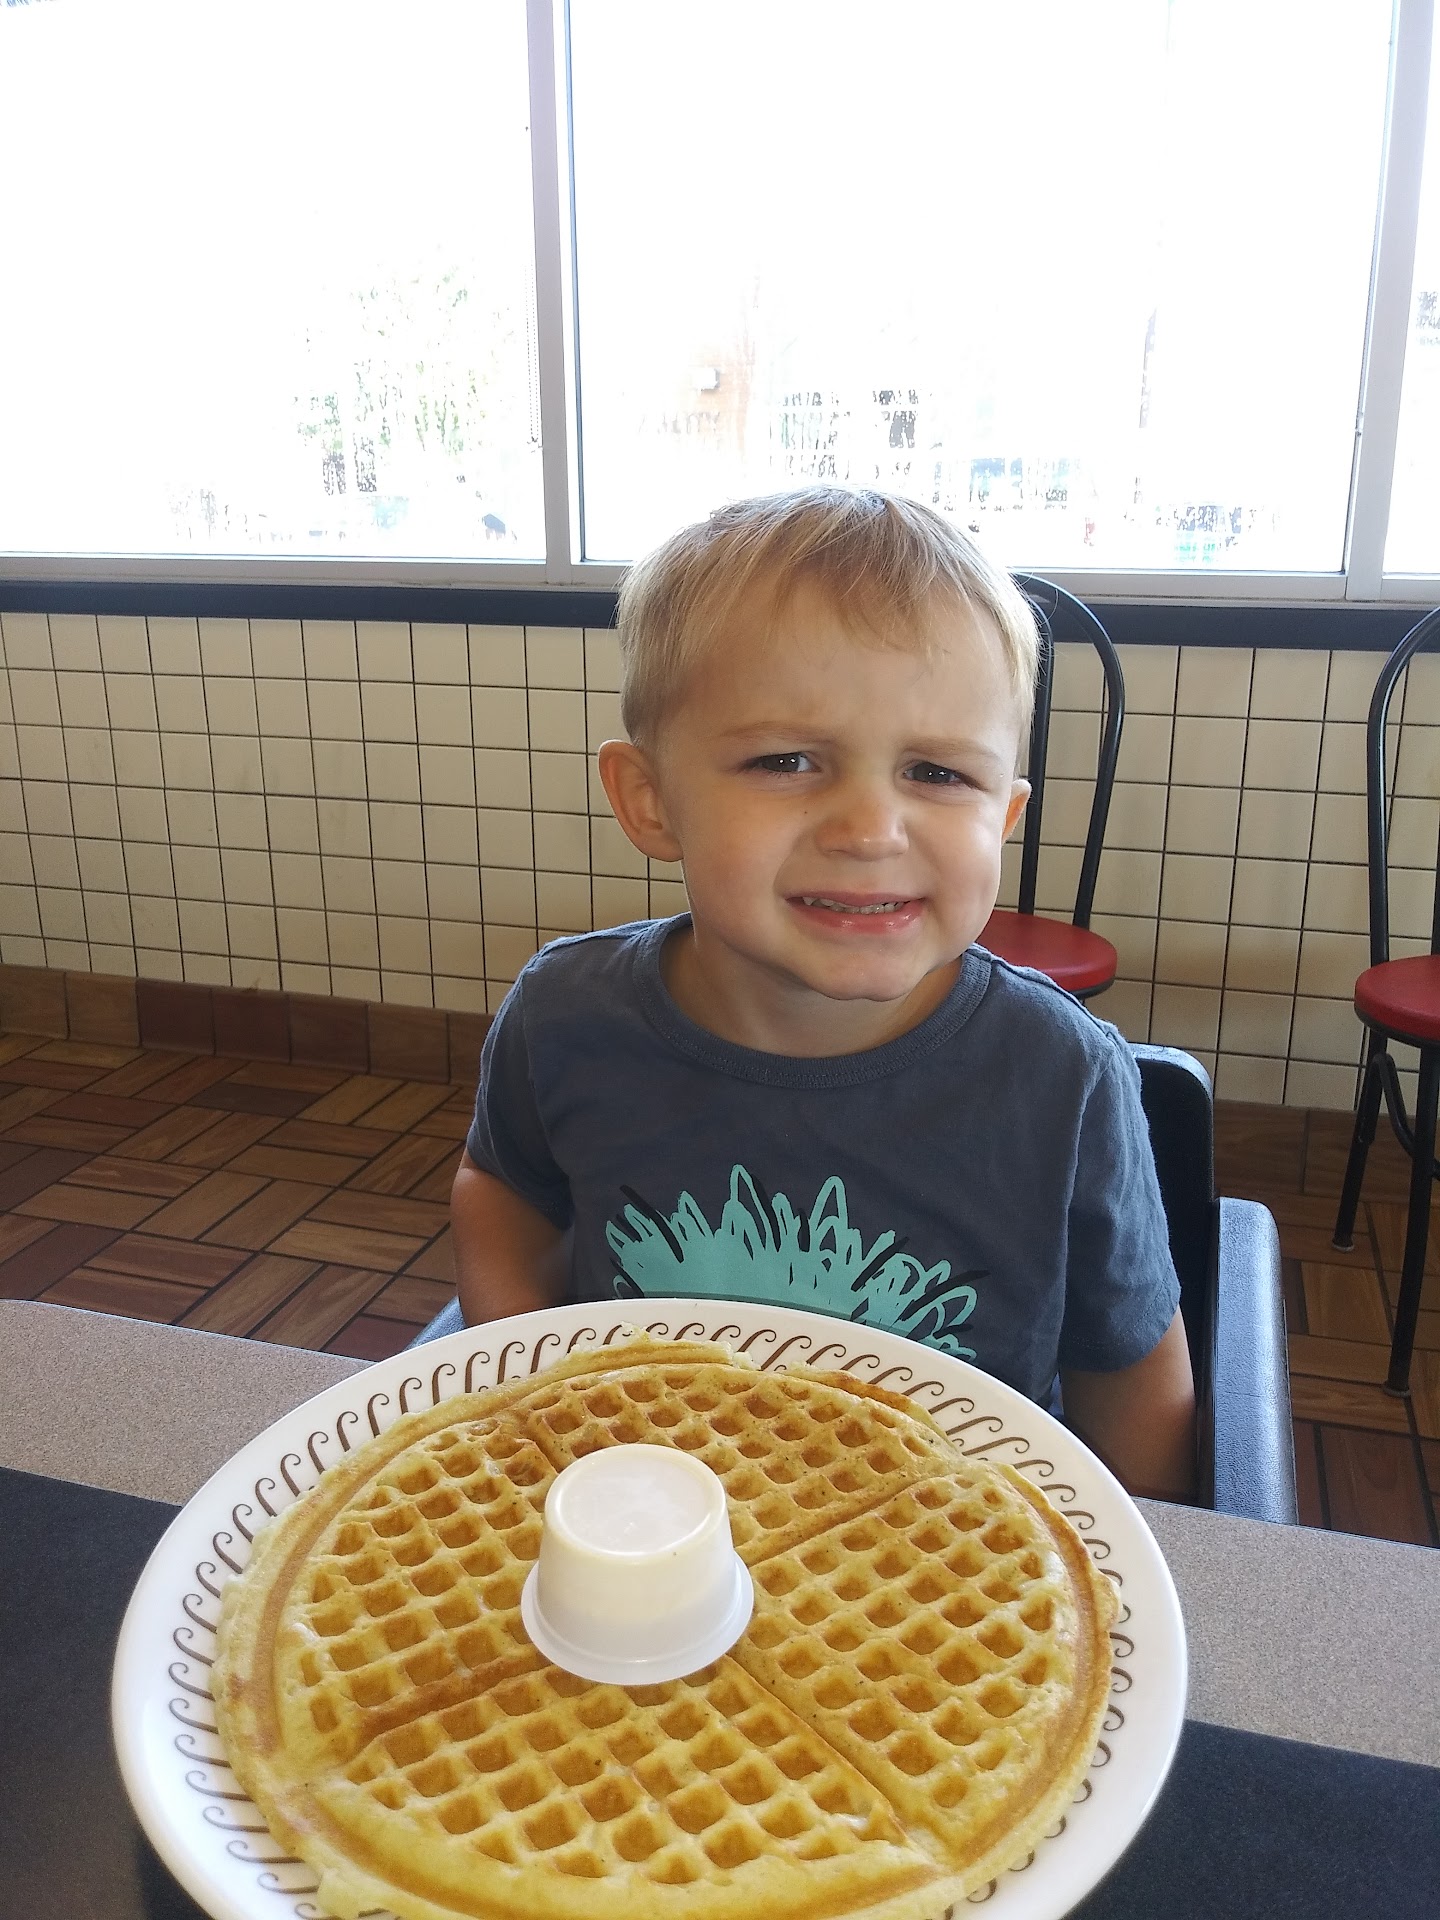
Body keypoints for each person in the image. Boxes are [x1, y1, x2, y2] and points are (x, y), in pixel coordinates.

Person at [452, 486, 1196, 1500]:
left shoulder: (1061, 1079)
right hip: (644, 1515)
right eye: (787, 761)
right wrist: (524, 1386)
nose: (870, 830)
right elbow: (503, 1188)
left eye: (938, 773)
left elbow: (1133, 1375)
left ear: (1005, 816)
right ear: (651, 799)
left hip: (947, 1546)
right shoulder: (564, 1017)